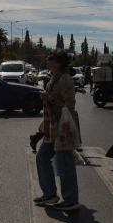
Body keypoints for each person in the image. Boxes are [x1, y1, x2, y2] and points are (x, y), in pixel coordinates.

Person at [32, 49, 81, 211]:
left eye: (50, 58)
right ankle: (50, 194)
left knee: (64, 163)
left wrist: (50, 99)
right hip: (53, 127)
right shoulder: (53, 78)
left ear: (58, 63)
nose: (47, 60)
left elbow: (69, 106)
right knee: (41, 158)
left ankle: (71, 200)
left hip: (63, 128)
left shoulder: (65, 79)